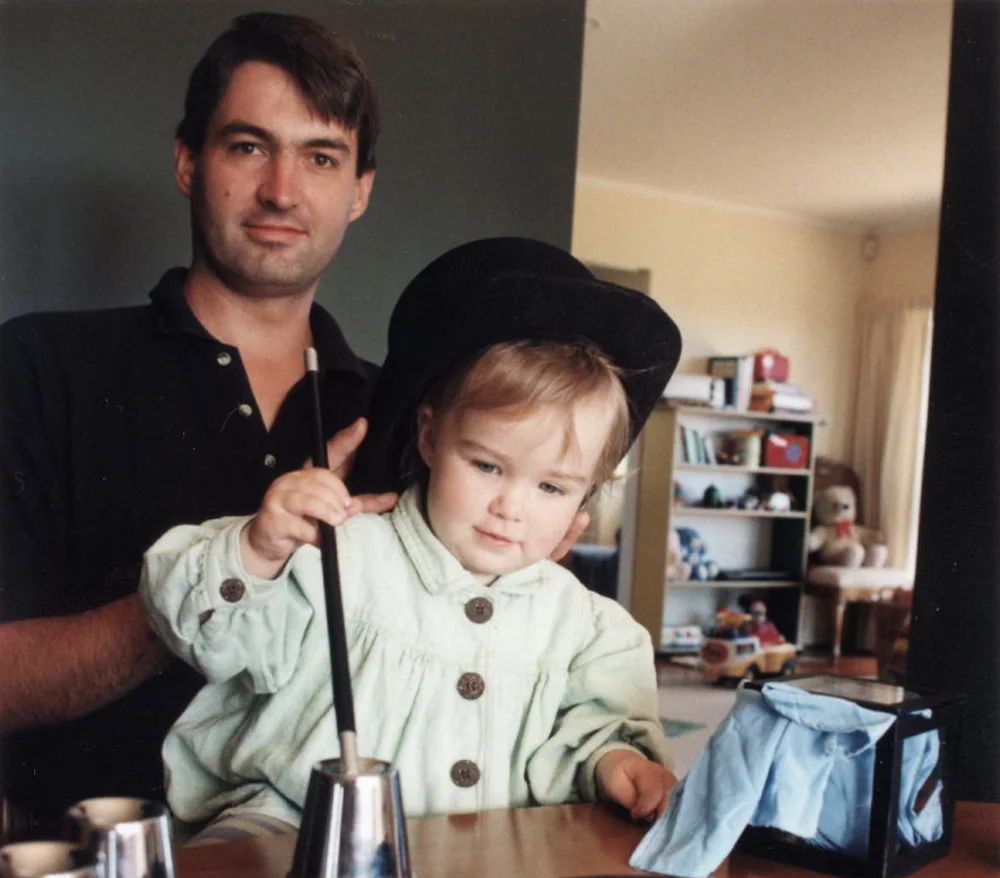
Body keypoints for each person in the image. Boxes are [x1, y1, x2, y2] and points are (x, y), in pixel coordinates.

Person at [0, 13, 398, 835]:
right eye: (248, 146)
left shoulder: (398, 417)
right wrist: (223, 575)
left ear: (359, 190)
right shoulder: (42, 364)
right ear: (189, 161)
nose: (282, 190)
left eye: (320, 157)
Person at [139, 238, 683, 832]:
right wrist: (260, 549)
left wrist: (614, 759)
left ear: (586, 497)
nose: (510, 508)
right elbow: (199, 629)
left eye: (551, 488)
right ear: (429, 438)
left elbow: (595, 726)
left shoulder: (586, 627)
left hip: (485, 860)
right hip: (291, 826)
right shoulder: (338, 554)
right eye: (486, 466)